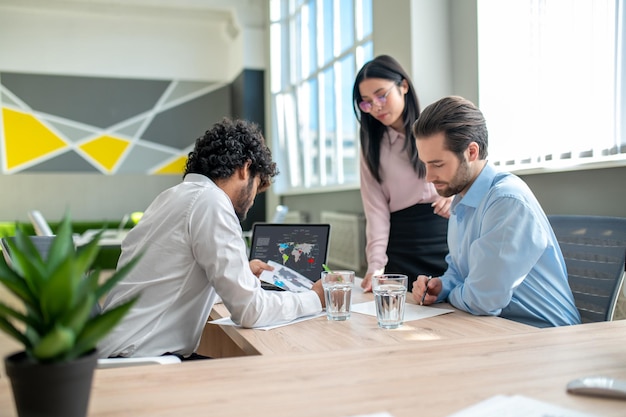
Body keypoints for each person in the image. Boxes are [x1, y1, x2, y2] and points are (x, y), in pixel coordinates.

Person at [98, 118, 326, 359]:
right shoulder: (212, 202)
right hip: (140, 362)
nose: (251, 202)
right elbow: (251, 311)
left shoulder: (172, 197)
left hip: (117, 350)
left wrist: (241, 275)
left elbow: (173, 280)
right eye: (256, 187)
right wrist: (315, 299)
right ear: (245, 168)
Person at [411, 96, 581, 328]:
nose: (428, 177)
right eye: (425, 164)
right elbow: (460, 274)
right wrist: (441, 286)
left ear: (472, 152)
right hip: (499, 328)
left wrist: (453, 293)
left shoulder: (506, 202)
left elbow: (482, 300)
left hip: (543, 336)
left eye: (438, 164)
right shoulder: (461, 201)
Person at [352, 55, 452, 292]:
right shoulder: (372, 147)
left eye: (381, 95)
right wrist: (375, 265)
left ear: (403, 86)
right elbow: (376, 212)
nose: (375, 107)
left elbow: (471, 175)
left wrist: (456, 196)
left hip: (449, 238)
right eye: (366, 102)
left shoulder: (440, 126)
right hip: (402, 245)